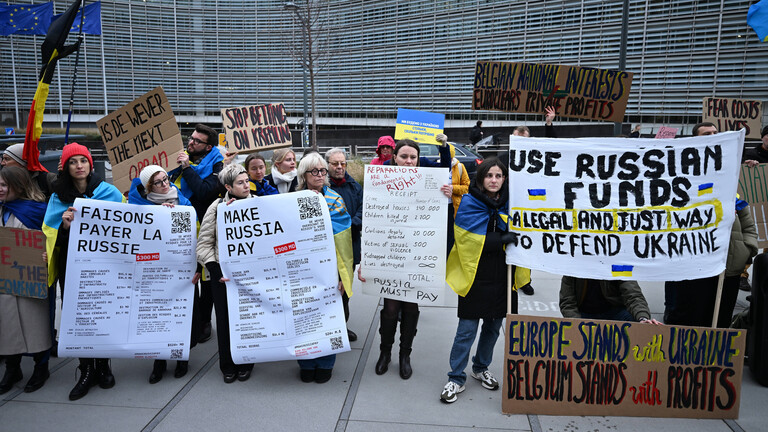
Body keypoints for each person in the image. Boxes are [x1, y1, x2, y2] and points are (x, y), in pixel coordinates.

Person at [359, 139, 452, 380]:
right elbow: (370, 224)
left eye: (413, 157)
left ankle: (405, 355)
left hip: (417, 258)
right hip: (390, 257)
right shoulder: (379, 182)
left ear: (418, 159)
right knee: (390, 310)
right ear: (394, 158)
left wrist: (449, 196)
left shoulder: (430, 183)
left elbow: (443, 221)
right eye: (404, 156)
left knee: (411, 308)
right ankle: (385, 352)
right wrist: (367, 261)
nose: (409, 161)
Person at [440, 158, 530, 403]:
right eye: (489, 175)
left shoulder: (514, 203)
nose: (494, 180)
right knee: (467, 329)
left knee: (492, 327)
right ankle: (455, 377)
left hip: (504, 276)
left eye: (499, 176)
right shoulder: (469, 202)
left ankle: (480, 367)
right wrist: (502, 239)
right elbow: (466, 241)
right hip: (475, 274)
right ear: (480, 179)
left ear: (504, 179)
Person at [42, 143, 124, 401]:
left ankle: (103, 365)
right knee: (79, 317)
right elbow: (50, 237)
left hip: (104, 266)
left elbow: (131, 223)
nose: (79, 165)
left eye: (83, 160)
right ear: (65, 166)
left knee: (102, 314)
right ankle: (86, 369)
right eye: (73, 161)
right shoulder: (57, 197)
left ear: (90, 164)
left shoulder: (108, 192)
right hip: (73, 268)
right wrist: (65, 227)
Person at [664, 122, 759, 328]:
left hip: (730, 268)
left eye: (716, 132)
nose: (714, 135)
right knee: (693, 317)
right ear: (697, 139)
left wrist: (747, 250)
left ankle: (715, 360)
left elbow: (749, 225)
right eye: (708, 133)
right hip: (696, 267)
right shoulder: (683, 174)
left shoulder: (729, 171)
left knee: (721, 319)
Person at [128, 165, 196, 384]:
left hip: (181, 270)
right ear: (149, 187)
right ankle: (159, 361)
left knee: (180, 314)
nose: (165, 184)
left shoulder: (183, 202)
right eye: (158, 182)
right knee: (157, 317)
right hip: (154, 272)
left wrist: (174, 216)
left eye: (165, 179)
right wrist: (158, 215)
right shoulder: (140, 207)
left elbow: (194, 231)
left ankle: (181, 358)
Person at [295, 153, 355, 383]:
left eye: (323, 171)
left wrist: (343, 275)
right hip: (302, 272)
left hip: (329, 271)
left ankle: (327, 362)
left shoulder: (335, 200)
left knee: (328, 317)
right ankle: (306, 361)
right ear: (304, 175)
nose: (320, 175)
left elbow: (343, 242)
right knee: (304, 318)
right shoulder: (292, 199)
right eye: (315, 171)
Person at [195, 164, 256, 383]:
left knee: (249, 319)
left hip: (251, 276)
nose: (246, 185)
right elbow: (203, 244)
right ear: (228, 186)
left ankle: (246, 361)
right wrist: (214, 268)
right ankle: (227, 364)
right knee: (225, 321)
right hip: (223, 276)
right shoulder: (216, 207)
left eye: (247, 180)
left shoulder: (258, 203)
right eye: (240, 182)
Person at [168, 124, 225, 345]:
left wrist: (186, 168)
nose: (190, 143)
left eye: (196, 141)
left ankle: (203, 322)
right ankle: (189, 322)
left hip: (206, 233)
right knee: (186, 278)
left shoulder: (217, 166)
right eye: (190, 138)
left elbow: (203, 191)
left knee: (207, 281)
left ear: (208, 146)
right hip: (179, 232)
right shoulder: (177, 161)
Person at [0, 167, 50, 394]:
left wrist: (46, 253)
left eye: (3, 185)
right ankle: (13, 368)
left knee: (35, 326)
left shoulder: (37, 211)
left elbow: (52, 239)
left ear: (18, 186)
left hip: (30, 280)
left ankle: (41, 367)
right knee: (7, 326)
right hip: (5, 282)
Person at [326, 147, 362, 342]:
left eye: (343, 163)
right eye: (335, 163)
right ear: (327, 165)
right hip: (327, 249)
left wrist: (350, 224)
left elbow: (363, 209)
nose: (339, 167)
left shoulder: (354, 186)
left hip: (350, 245)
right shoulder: (323, 187)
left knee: (345, 289)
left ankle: (342, 327)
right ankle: (329, 328)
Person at [559, 277, 661, 324]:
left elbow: (633, 294)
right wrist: (577, 324)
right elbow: (567, 302)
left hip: (614, 312)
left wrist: (642, 318)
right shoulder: (573, 266)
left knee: (638, 326)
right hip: (584, 315)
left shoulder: (616, 261)